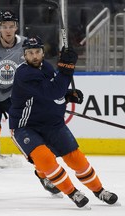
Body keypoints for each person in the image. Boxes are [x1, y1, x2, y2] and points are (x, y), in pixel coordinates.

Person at [9, 36, 118, 208]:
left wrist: (67, 95)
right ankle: (72, 192)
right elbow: (52, 91)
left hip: (52, 124)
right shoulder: (24, 74)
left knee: (77, 159)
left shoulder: (46, 67)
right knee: (45, 158)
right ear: (24, 55)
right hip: (26, 127)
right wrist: (67, 69)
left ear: (43, 53)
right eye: (30, 53)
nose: (34, 56)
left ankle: (99, 190)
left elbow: (53, 91)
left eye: (37, 52)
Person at [0, 10, 60, 197]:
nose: (8, 30)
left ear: (16, 27)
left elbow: (39, 68)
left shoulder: (26, 46)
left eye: (11, 26)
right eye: (4, 26)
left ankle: (43, 174)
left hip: (17, 97)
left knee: (30, 138)